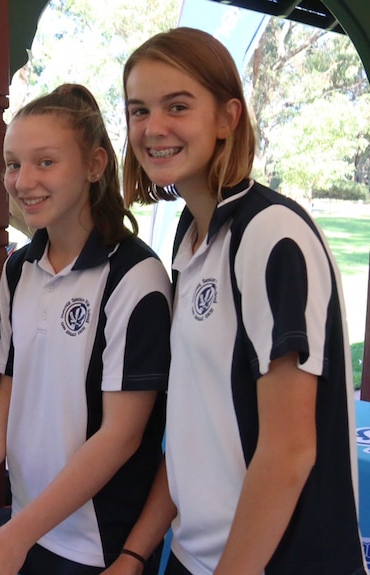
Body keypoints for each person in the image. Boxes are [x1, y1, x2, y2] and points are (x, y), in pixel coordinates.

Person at [107, 27, 366, 575]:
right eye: (138, 110)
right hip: (194, 556)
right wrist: (135, 553)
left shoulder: (271, 235)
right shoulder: (191, 235)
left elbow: (289, 452)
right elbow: (194, 427)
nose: (153, 128)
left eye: (177, 106)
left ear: (228, 117)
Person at [0, 84, 172, 575]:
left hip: (99, 544)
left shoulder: (136, 277)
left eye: (45, 162)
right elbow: (10, 399)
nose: (22, 180)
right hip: (29, 523)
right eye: (13, 164)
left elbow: (121, 435)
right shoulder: (18, 269)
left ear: (95, 165)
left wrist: (17, 534)